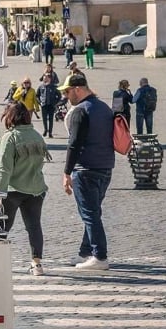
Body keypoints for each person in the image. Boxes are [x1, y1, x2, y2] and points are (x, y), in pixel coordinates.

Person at [60, 71, 116, 271]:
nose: (66, 96)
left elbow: (74, 145)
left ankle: (100, 257)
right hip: (106, 166)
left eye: (67, 92)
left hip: (85, 169)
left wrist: (66, 172)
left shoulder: (80, 111)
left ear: (77, 89)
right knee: (93, 211)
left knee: (90, 214)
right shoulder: (104, 108)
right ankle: (86, 252)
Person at [0, 101, 49, 276]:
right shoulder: (36, 136)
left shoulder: (10, 137)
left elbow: (4, 169)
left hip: (13, 189)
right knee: (34, 226)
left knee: (2, 226)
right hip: (36, 188)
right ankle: (37, 264)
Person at [37, 70, 62, 138]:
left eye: (47, 77)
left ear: (50, 78)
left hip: (51, 105)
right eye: (44, 77)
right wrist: (40, 102)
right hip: (44, 105)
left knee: (51, 119)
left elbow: (59, 96)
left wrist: (55, 103)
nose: (45, 78)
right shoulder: (41, 86)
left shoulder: (54, 87)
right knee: (44, 119)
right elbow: (37, 95)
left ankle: (50, 132)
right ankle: (45, 130)